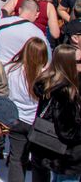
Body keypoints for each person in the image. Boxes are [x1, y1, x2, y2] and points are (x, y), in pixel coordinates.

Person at [30, 44, 81, 180]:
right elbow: (67, 131)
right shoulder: (65, 94)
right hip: (66, 158)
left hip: (45, 148)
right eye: (78, 62)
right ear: (69, 64)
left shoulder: (47, 84)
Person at [4, 37, 48, 182]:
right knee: (39, 162)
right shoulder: (45, 75)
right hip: (37, 124)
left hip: (16, 120)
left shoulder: (11, 69)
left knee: (16, 159)